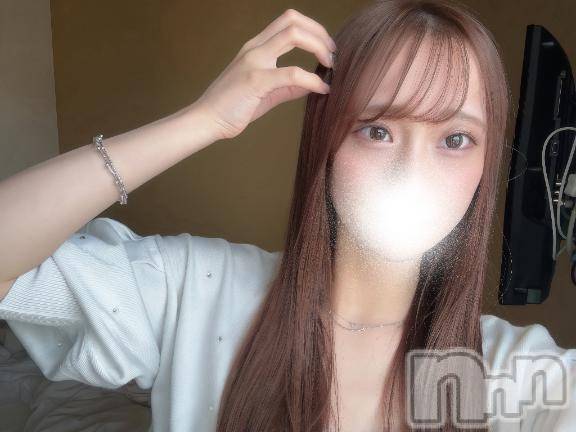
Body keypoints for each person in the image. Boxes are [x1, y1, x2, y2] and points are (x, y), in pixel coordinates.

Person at [0, 1, 574, 431]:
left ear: (486, 166)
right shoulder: (196, 292)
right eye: (377, 130)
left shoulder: (511, 370)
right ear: (327, 143)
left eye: (455, 139)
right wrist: (202, 121)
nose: (412, 171)